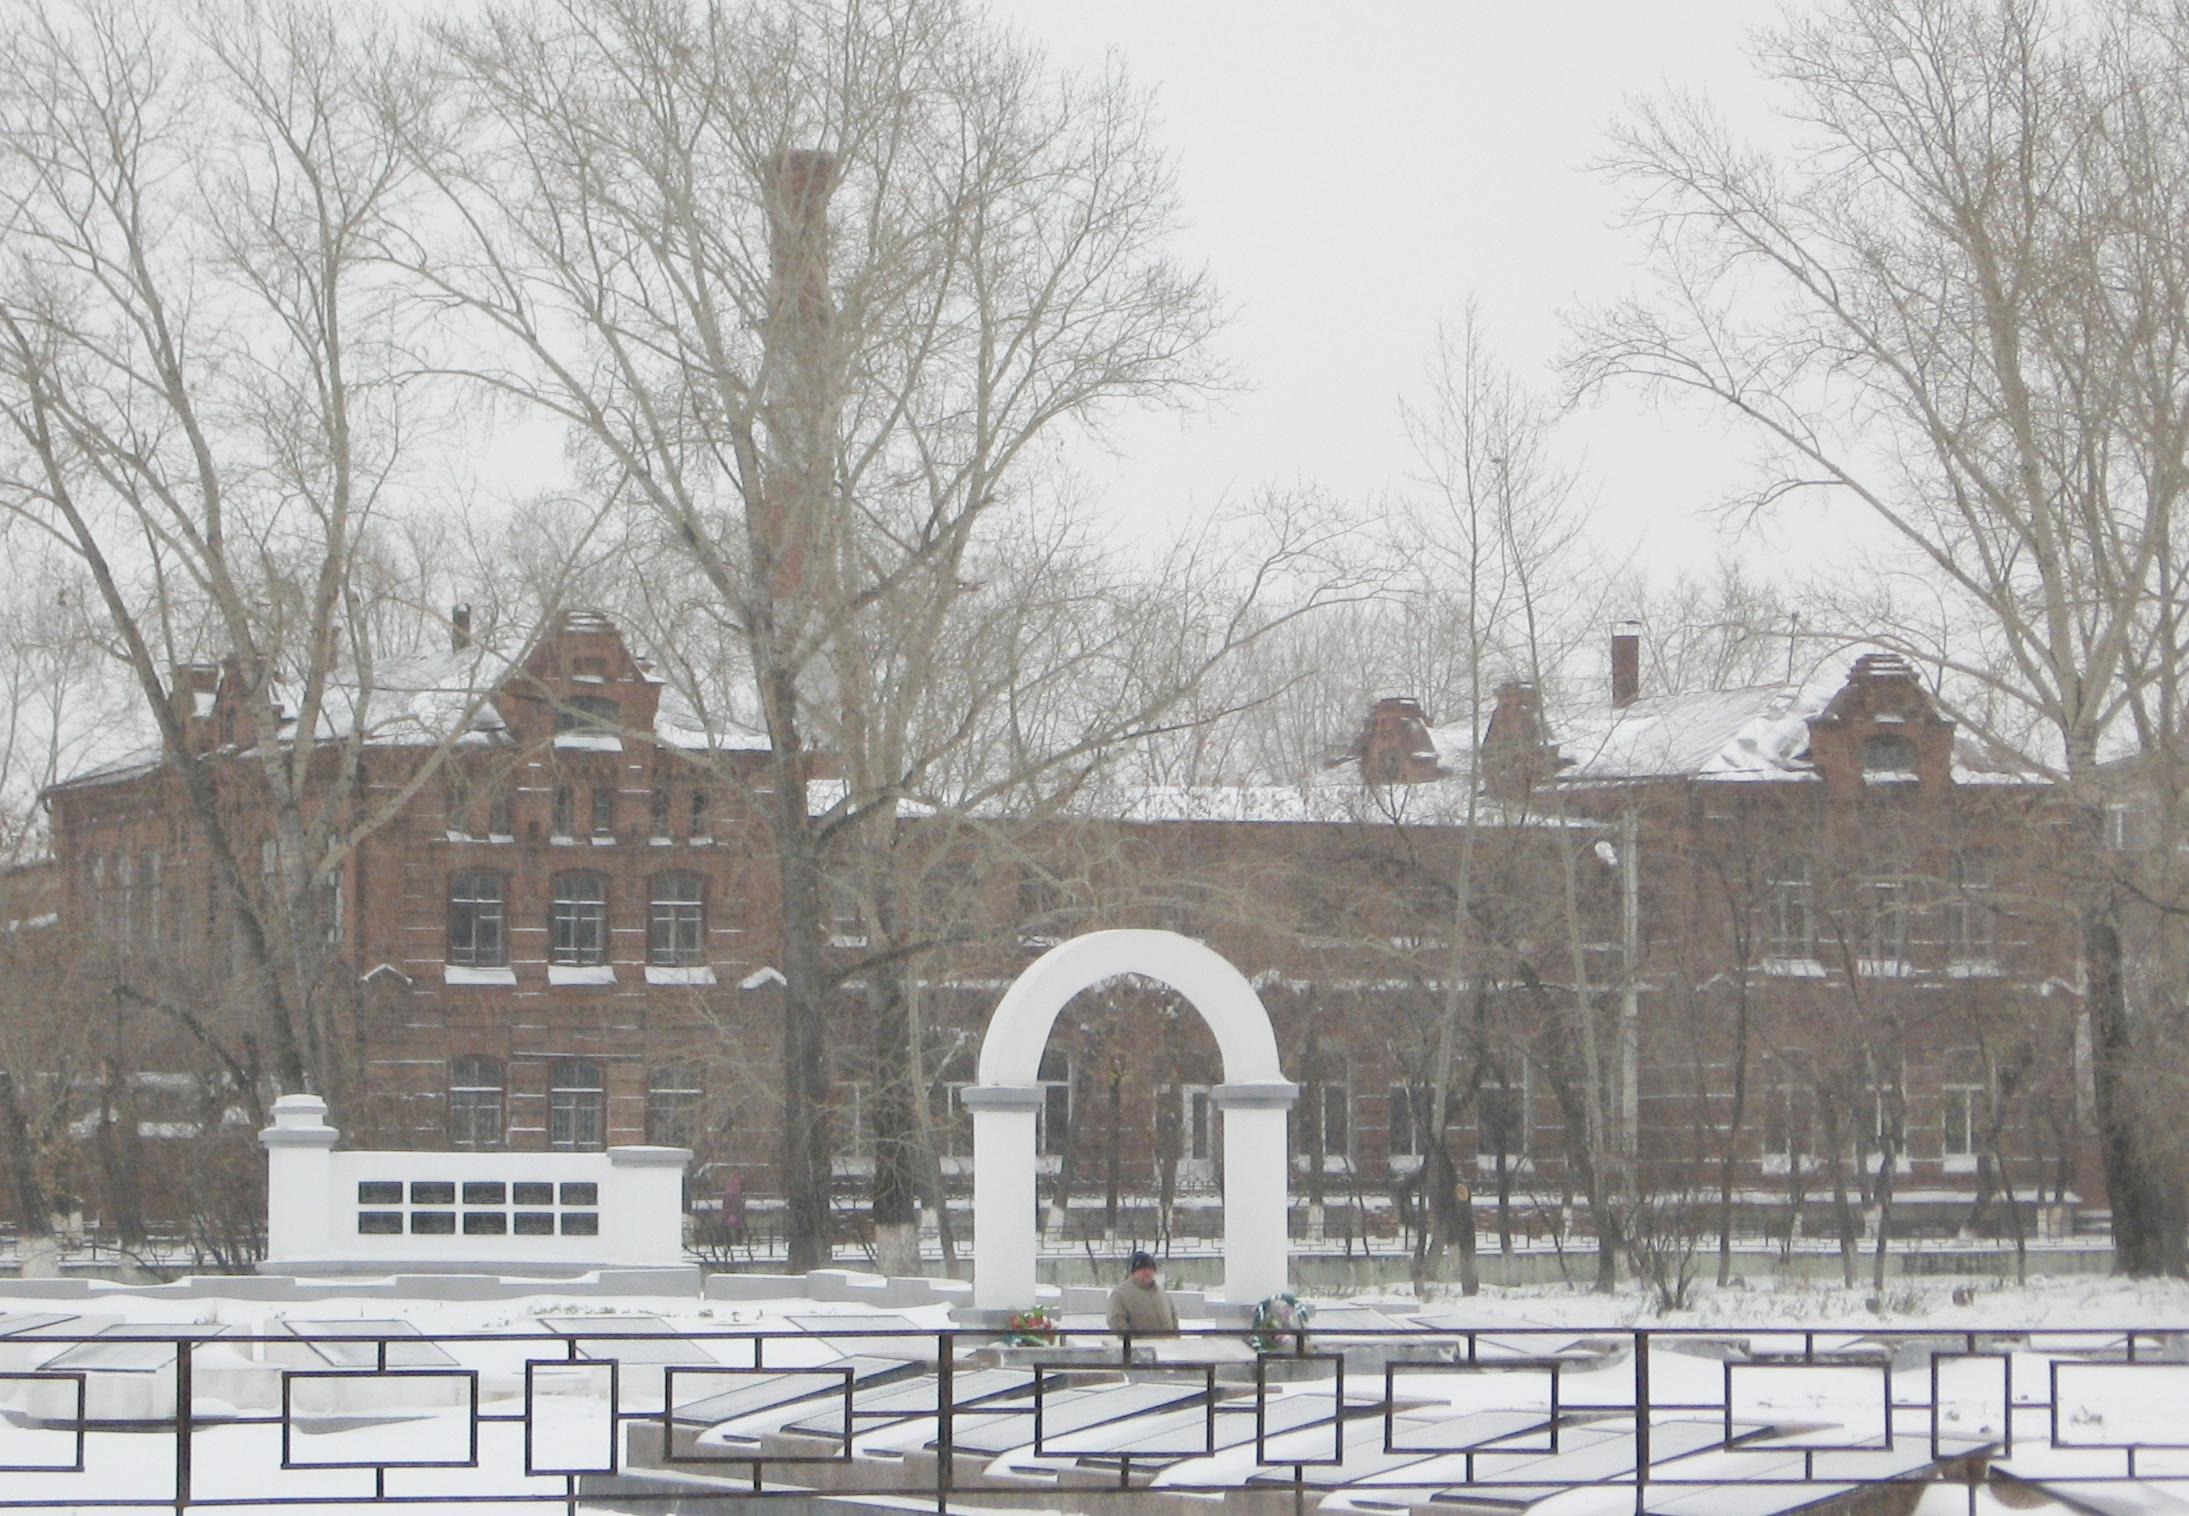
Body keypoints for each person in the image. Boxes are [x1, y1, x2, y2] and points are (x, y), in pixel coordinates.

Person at [1105, 1250, 1178, 1336]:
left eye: (1150, 1268)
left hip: (1167, 1347)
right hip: (1138, 1348)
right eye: (1142, 1268)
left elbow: (1174, 1319)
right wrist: (1132, 1342)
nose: (1147, 1272)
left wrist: (1175, 1340)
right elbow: (1117, 1322)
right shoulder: (1120, 1294)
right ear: (1133, 1271)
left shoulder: (1163, 1294)